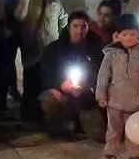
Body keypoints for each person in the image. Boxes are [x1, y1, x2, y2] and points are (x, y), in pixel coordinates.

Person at [96, 14, 139, 159]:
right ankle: (110, 154)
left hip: (136, 101)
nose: (129, 38)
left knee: (134, 131)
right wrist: (101, 94)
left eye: (133, 34)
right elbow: (104, 75)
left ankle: (135, 155)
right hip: (115, 99)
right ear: (118, 35)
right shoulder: (111, 54)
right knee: (113, 129)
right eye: (125, 34)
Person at [39, 11, 105, 140]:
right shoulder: (54, 49)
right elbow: (46, 72)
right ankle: (60, 128)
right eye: (75, 26)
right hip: (63, 96)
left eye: (83, 27)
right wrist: (59, 85)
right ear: (69, 27)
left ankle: (80, 124)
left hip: (87, 98)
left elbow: (101, 72)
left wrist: (87, 86)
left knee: (99, 136)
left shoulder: (97, 49)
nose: (79, 30)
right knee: (48, 99)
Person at [15, 0, 68, 122]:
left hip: (49, 46)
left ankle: (46, 114)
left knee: (47, 80)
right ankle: (29, 113)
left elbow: (63, 18)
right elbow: (19, 16)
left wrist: (60, 36)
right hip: (31, 46)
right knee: (31, 81)